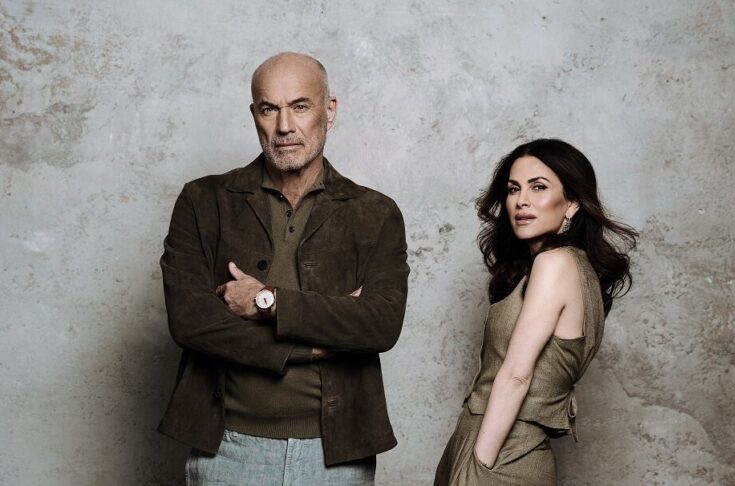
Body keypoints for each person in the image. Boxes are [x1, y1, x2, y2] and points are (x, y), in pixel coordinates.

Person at [158, 52, 409, 485]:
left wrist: (266, 301)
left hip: (335, 459)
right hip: (227, 451)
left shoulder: (375, 213)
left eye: (300, 106)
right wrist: (310, 347)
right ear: (254, 114)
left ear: (329, 110)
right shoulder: (203, 201)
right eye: (269, 109)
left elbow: (380, 324)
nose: (285, 126)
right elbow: (190, 321)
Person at [435, 139, 637, 485]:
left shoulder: (553, 264)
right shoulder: (576, 268)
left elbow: (517, 375)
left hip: (501, 450)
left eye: (538, 187)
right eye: (514, 189)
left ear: (572, 202)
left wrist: (480, 461)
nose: (521, 201)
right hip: (501, 445)